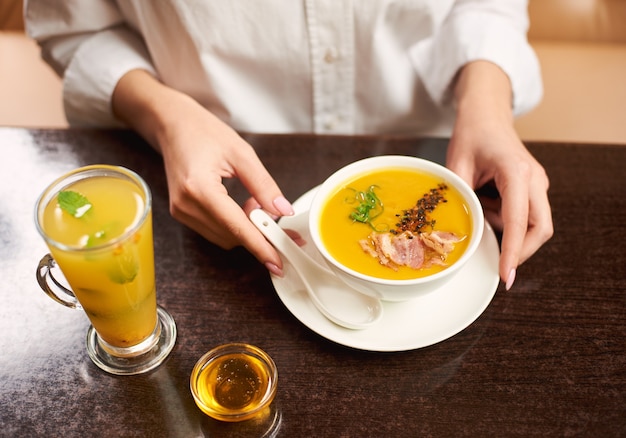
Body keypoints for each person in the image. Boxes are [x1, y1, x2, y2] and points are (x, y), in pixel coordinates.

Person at [25, 0, 552, 290]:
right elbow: (72, 30)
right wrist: (165, 116)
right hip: (221, 178)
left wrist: (487, 102)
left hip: (439, 146)